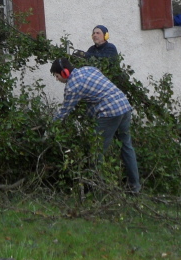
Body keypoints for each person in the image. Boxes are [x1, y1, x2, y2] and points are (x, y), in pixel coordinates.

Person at [50, 57, 140, 193]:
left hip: (109, 113)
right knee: (126, 146)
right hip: (124, 106)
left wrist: (49, 129)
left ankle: (96, 188)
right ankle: (135, 186)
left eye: (57, 76)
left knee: (96, 151)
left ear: (65, 73)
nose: (57, 79)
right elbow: (97, 95)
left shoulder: (73, 87)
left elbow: (64, 112)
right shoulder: (88, 69)